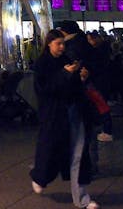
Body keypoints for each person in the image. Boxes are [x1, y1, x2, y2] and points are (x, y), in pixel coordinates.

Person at [29, 28, 99, 209]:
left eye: (63, 43)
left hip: (74, 111)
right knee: (51, 151)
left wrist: (80, 77)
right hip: (55, 117)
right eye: (58, 43)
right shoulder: (42, 64)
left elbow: (74, 87)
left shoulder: (67, 60)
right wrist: (64, 75)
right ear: (49, 44)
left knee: (79, 154)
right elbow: (44, 90)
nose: (61, 47)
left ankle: (81, 198)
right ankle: (40, 177)